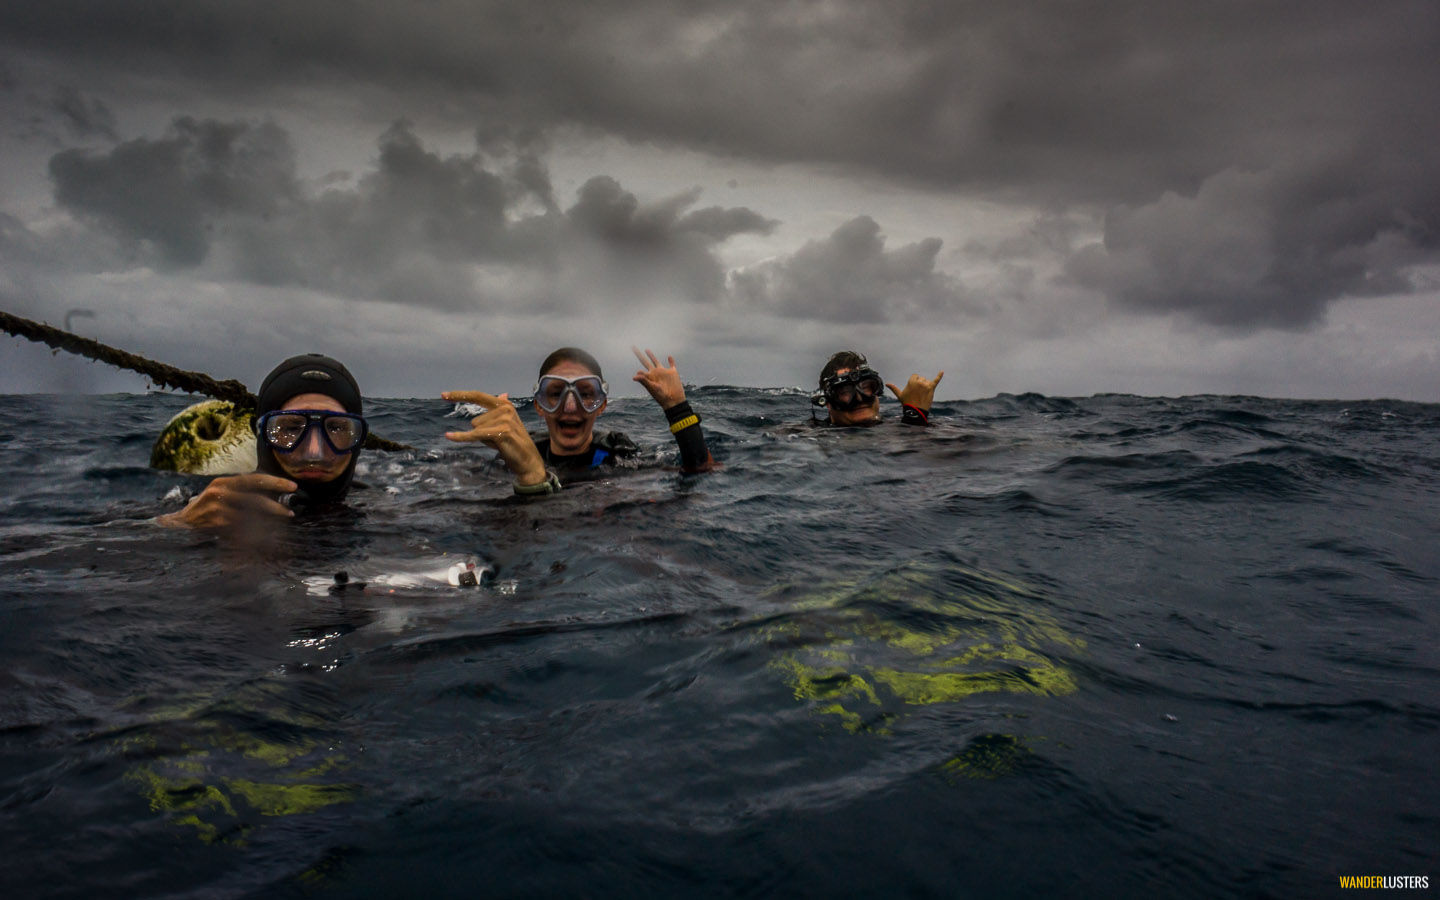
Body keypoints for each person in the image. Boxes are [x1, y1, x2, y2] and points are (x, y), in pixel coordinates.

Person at [443, 346, 715, 494]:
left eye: (586, 394)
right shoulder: (513, 459)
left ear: (602, 406)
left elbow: (700, 474)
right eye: (555, 394)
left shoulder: (617, 457)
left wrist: (677, 408)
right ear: (538, 405)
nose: (570, 407)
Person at [158, 353, 370, 528]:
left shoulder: (385, 506)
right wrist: (179, 522)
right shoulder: (208, 503)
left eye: (336, 428)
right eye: (291, 428)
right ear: (260, 433)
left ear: (359, 439)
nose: (314, 452)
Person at [813, 350, 943, 427]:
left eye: (866, 387)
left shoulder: (896, 426)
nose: (860, 398)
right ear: (828, 402)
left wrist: (915, 415)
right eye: (845, 392)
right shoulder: (813, 436)